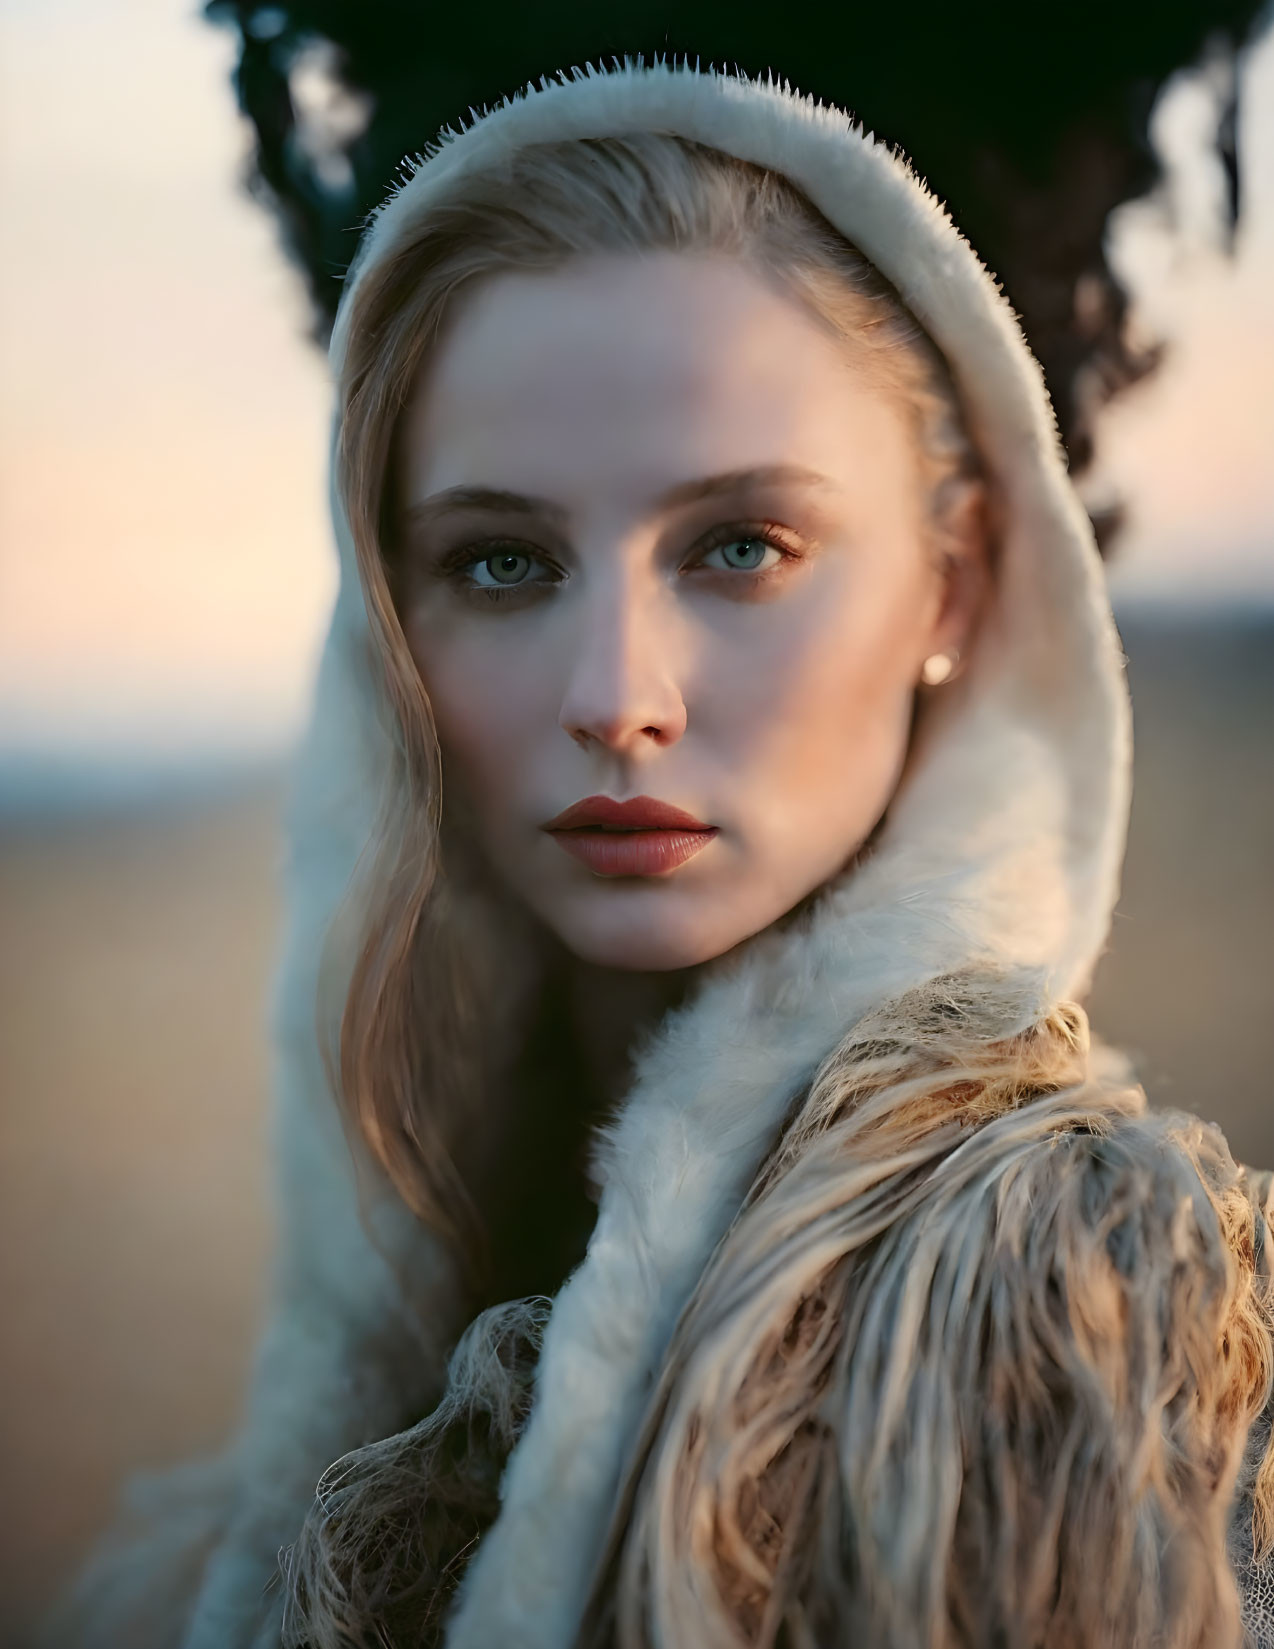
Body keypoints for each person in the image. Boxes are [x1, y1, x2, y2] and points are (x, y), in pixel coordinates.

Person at [50, 59, 1274, 1649]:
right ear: (385, 626)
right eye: (500, 561)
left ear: (955, 592)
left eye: (740, 547)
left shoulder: (1088, 1337)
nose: (613, 698)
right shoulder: (364, 1386)